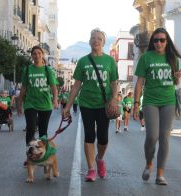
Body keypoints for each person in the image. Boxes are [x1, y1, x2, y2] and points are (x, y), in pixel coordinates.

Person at [62, 28, 118, 182]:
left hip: (103, 104)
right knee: (89, 135)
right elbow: (76, 86)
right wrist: (67, 107)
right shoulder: (83, 61)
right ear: (89, 41)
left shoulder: (110, 61)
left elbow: (114, 83)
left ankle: (100, 159)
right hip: (86, 103)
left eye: (99, 38)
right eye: (93, 38)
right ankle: (91, 168)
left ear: (104, 42)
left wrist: (114, 99)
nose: (96, 40)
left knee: (103, 138)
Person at [133, 27, 181, 185]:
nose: (159, 43)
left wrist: (177, 78)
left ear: (166, 42)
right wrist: (135, 103)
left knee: (165, 137)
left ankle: (160, 174)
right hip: (150, 101)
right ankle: (149, 163)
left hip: (168, 101)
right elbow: (140, 82)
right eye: (156, 40)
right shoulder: (146, 57)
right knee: (152, 136)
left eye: (162, 40)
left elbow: (175, 83)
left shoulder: (172, 58)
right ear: (153, 42)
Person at [17, 45, 58, 165]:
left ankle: (42, 155)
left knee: (43, 133)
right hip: (30, 103)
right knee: (30, 128)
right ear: (32, 56)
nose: (37, 55)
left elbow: (53, 87)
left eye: (39, 53)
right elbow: (24, 88)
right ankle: (29, 156)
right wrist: (19, 102)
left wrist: (55, 99)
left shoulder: (47, 70)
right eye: (34, 53)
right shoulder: (28, 70)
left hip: (45, 105)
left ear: (42, 55)